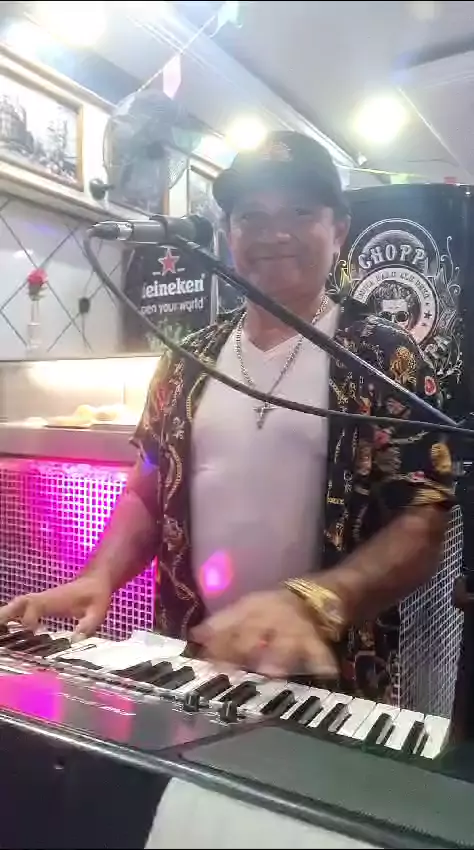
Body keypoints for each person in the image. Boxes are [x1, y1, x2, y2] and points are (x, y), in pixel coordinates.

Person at [0, 132, 454, 700]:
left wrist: (316, 600)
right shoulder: (187, 357)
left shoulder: (384, 356)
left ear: (338, 229)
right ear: (228, 233)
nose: (274, 233)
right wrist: (100, 576)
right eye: (251, 216)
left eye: (299, 212)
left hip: (331, 682)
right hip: (192, 666)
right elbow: (149, 485)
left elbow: (423, 517)